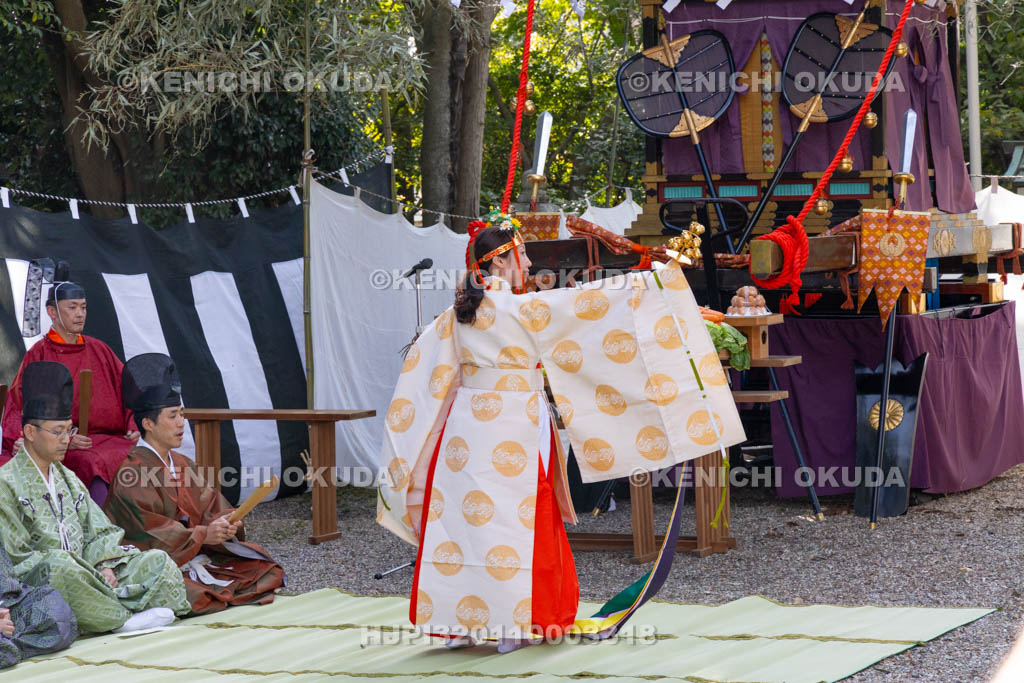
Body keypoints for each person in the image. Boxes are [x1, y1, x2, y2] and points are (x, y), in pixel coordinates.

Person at [377, 211, 745, 651]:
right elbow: (596, 305)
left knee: (461, 520)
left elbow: (425, 379)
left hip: (464, 430)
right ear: (499, 263)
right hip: (515, 425)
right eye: (523, 257)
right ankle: (516, 623)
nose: (530, 266)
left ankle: (461, 622)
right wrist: (657, 281)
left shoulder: (456, 312)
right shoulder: (525, 309)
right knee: (516, 523)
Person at [0, 361, 191, 634]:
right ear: (30, 433)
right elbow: (17, 558)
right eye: (58, 432)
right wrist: (83, 570)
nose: (66, 439)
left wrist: (103, 565)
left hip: (89, 573)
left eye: (69, 430)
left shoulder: (68, 478)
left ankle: (108, 608)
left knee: (156, 560)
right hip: (42, 580)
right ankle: (120, 619)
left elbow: (100, 531)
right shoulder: (6, 483)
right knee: (61, 565)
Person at [104, 353, 285, 615]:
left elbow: (211, 504)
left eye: (181, 414)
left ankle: (215, 593)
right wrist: (203, 535)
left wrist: (227, 522)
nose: (181, 423)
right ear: (148, 424)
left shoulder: (182, 463)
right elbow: (150, 535)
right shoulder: (130, 474)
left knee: (265, 565)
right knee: (192, 594)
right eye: (173, 416)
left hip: (196, 555)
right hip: (161, 564)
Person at [1, 279, 139, 505]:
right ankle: (100, 530)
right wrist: (62, 437)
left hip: (110, 438)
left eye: (83, 307)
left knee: (140, 458)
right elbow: (18, 405)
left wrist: (134, 423)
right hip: (66, 442)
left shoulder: (100, 349)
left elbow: (131, 390)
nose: (80, 314)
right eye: (72, 307)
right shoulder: (40, 354)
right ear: (52, 312)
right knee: (92, 461)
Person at [0, 539, 77, 669]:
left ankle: (12, 645)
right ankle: (6, 647)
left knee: (51, 603)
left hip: (7, 608)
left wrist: (3, 608)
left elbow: (6, 580)